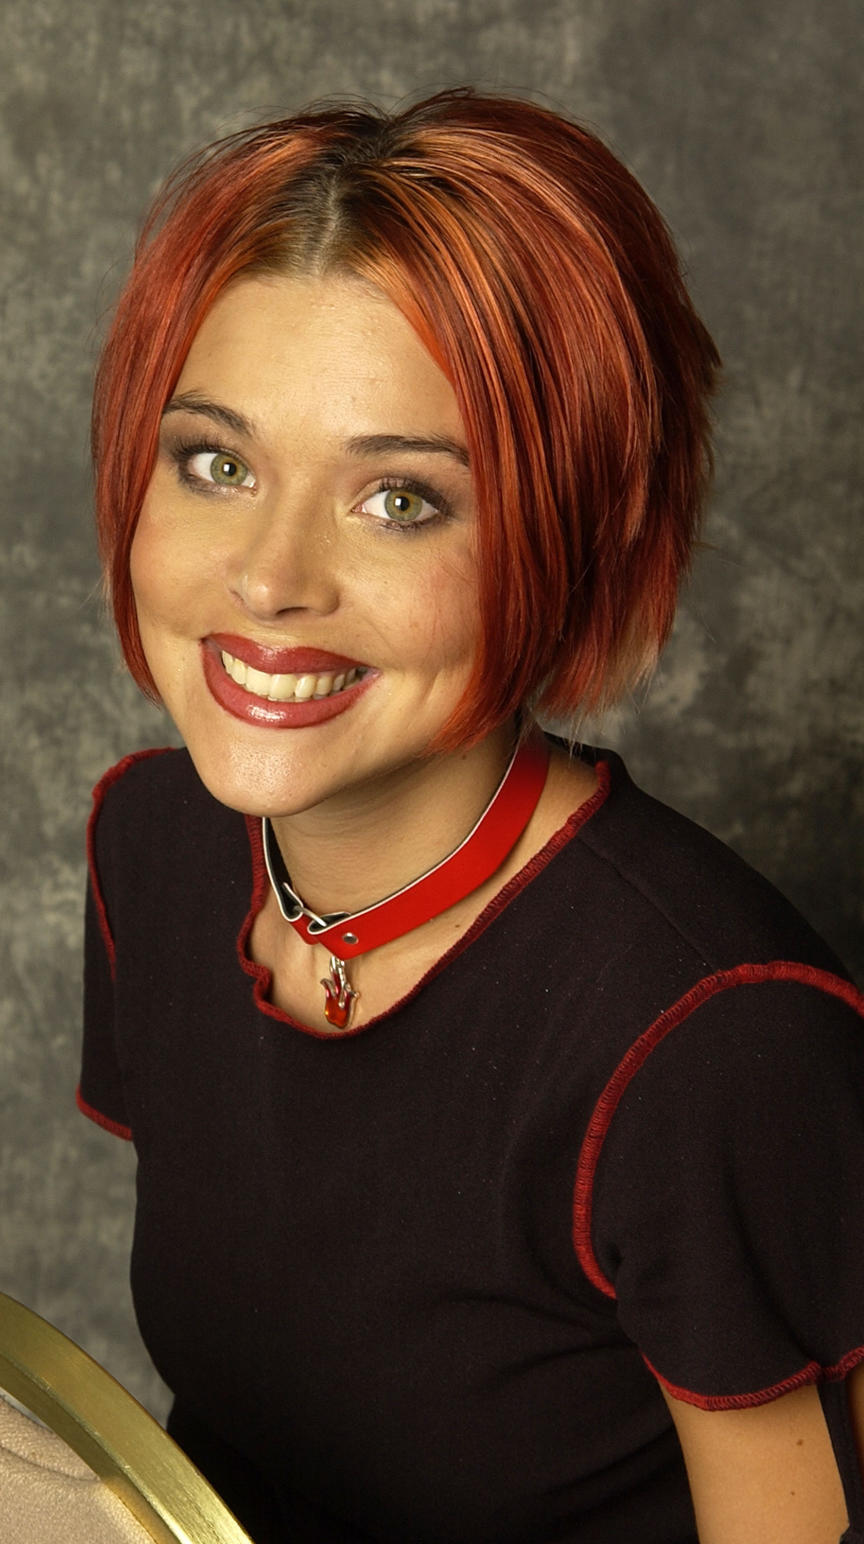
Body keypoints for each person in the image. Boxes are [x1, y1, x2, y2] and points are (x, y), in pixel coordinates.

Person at [78, 89, 864, 1543]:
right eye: (220, 463)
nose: (269, 576)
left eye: (400, 500)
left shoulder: (713, 1039)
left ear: (569, 537)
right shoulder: (154, 847)